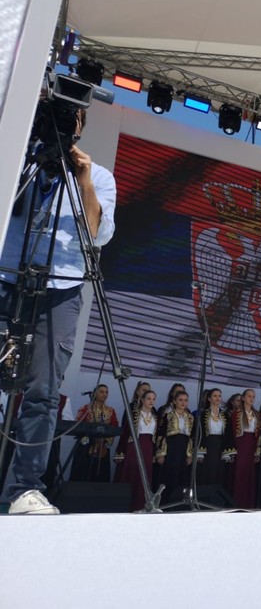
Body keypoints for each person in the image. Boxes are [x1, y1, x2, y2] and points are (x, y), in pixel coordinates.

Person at [0, 106, 116, 514]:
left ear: (81, 127)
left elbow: (98, 234)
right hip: (6, 276)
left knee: (43, 393)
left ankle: (22, 490)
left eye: (72, 117)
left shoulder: (97, 176)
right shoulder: (15, 158)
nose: (64, 123)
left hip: (61, 288)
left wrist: (82, 181)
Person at [114, 389, 157, 511]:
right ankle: (127, 504)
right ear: (142, 400)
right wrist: (120, 451)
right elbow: (125, 432)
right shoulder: (134, 414)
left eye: (153, 399)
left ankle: (141, 504)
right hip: (135, 446)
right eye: (148, 398)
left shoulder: (155, 416)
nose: (151, 401)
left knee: (145, 475)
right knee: (133, 472)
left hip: (148, 447)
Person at [70, 384, 120, 483]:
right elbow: (78, 425)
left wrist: (107, 440)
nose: (104, 394)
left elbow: (115, 427)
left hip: (102, 445)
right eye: (101, 392)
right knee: (83, 470)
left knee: (101, 472)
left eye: (106, 392)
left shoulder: (111, 411)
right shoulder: (85, 408)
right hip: (87, 444)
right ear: (95, 394)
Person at [155, 390, 194, 504]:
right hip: (171, 448)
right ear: (174, 401)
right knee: (169, 474)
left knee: (182, 474)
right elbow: (161, 434)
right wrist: (160, 453)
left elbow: (191, 437)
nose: (183, 403)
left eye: (185, 400)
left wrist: (190, 454)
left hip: (183, 448)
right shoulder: (168, 416)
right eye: (180, 400)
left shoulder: (190, 417)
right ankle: (165, 501)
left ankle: (179, 502)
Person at [228, 388, 260, 509]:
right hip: (240, 445)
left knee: (250, 473)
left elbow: (258, 434)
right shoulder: (236, 414)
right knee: (239, 472)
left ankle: (249, 503)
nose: (251, 398)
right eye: (249, 396)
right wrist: (233, 449)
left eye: (253, 396)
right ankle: (237, 502)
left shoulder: (257, 414)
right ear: (243, 398)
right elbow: (232, 432)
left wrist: (257, 450)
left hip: (252, 444)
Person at [196, 388, 229, 490]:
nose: (218, 398)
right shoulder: (203, 414)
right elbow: (199, 433)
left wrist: (227, 451)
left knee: (218, 471)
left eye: (219, 396)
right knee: (206, 471)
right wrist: (200, 452)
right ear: (209, 399)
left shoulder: (224, 415)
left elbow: (228, 433)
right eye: (215, 396)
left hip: (219, 445)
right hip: (208, 445)